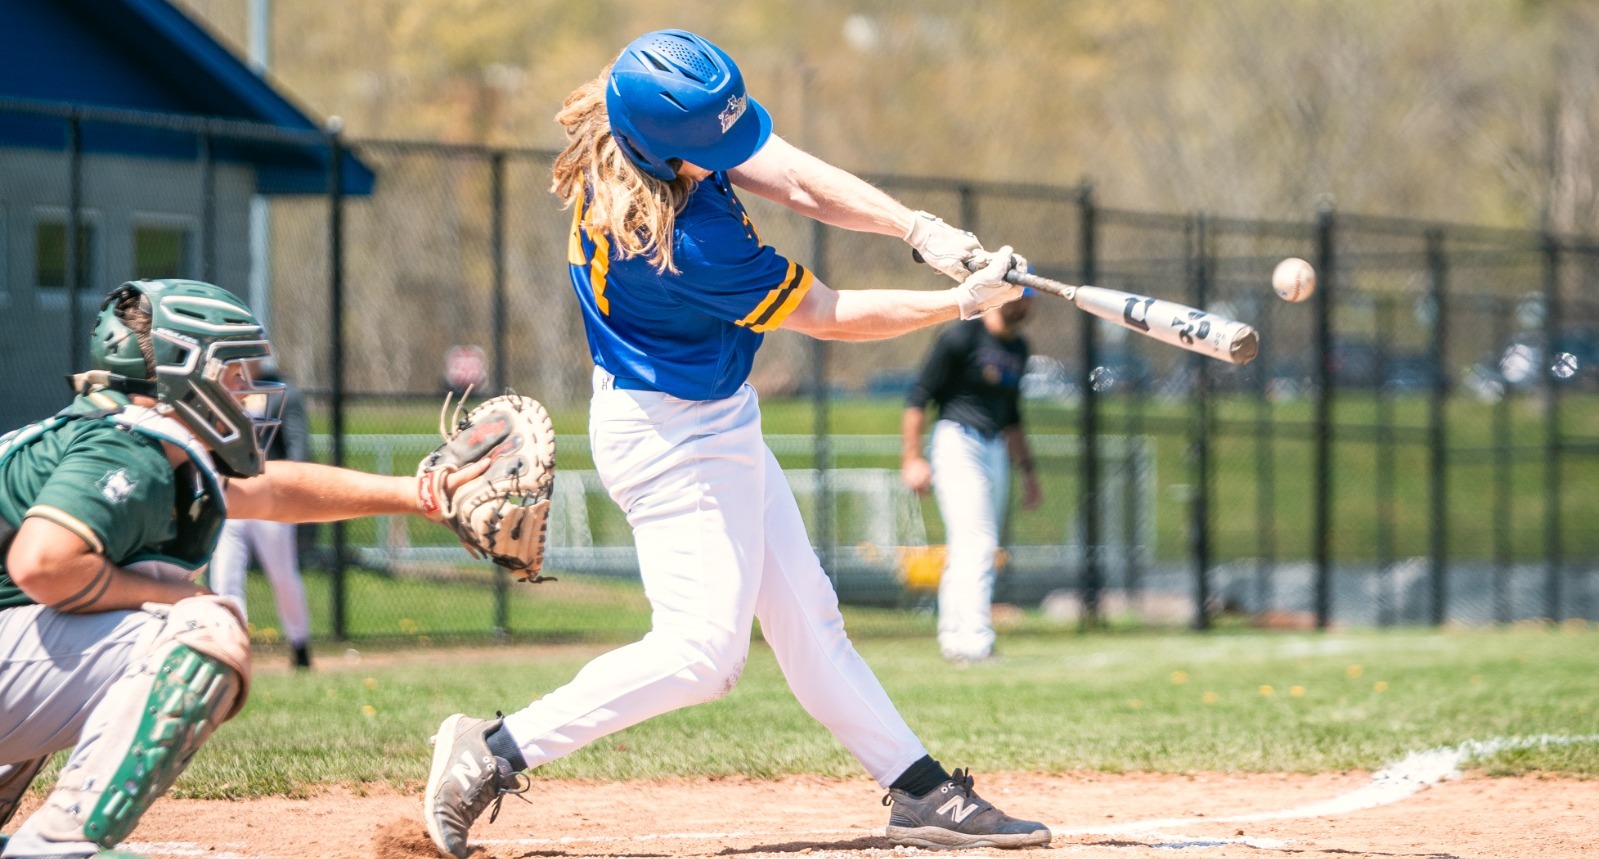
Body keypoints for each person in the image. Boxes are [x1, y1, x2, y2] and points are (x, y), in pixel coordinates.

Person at [422, 29, 1050, 859]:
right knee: (701, 655)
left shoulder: (646, 138)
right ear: (664, 146)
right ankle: (493, 748)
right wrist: (960, 302)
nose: (732, 153)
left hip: (715, 415)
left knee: (809, 621)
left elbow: (793, 175)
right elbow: (825, 313)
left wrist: (917, 228)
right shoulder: (682, 243)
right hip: (668, 435)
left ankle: (920, 790)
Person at [0, 279, 483, 859]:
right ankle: (56, 847)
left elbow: (273, 491)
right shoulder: (125, 445)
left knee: (133, 614)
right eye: (233, 372)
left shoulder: (130, 437)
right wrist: (179, 597)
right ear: (181, 371)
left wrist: (421, 492)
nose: (248, 391)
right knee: (203, 628)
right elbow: (43, 564)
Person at [901, 292, 1043, 664]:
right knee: (979, 543)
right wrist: (912, 458)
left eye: (1030, 298)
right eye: (1020, 296)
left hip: (995, 447)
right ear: (1002, 295)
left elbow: (1012, 414)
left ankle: (954, 636)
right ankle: (977, 640)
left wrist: (1028, 472)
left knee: (967, 545)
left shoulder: (1019, 348)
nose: (1026, 305)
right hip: (958, 440)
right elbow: (918, 397)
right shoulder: (962, 336)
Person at [207, 363, 316, 669]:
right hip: (232, 495)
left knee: (283, 576)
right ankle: (230, 648)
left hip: (270, 500)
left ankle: (300, 646)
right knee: (225, 576)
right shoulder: (221, 387)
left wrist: (294, 490)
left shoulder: (282, 389)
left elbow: (297, 444)